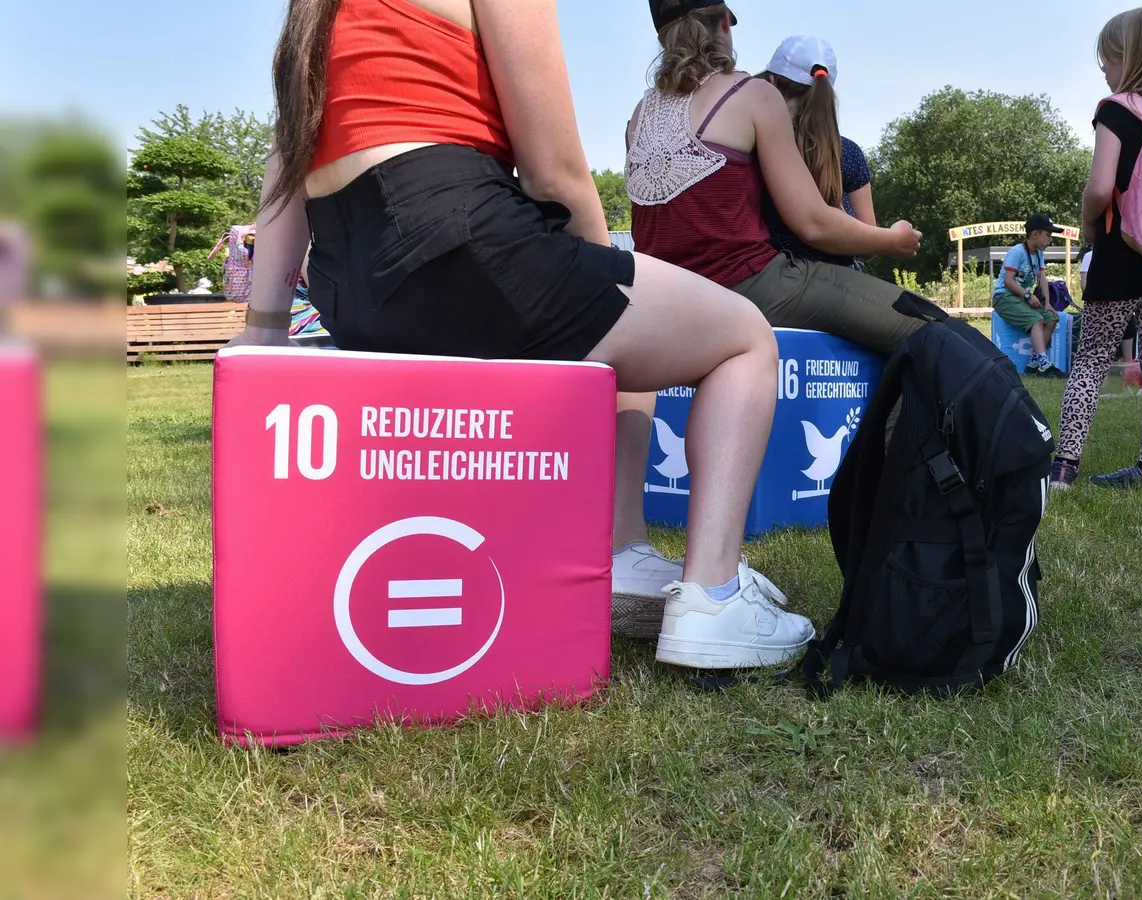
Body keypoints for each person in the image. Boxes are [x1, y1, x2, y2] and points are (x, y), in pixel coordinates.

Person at [234, 0, 813, 670]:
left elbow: (288, 157)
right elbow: (555, 170)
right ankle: (712, 599)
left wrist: (264, 330)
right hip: (456, 234)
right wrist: (610, 275)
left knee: (635, 336)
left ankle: (622, 553)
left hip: (349, 280)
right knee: (743, 336)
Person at [625, 1, 924, 359]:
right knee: (927, 326)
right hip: (743, 285)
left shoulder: (639, 116)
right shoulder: (750, 94)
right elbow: (812, 223)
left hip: (658, 296)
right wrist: (892, 240)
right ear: (724, 23)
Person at [1051, 5, 1142, 492]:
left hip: (1123, 251)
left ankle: (1064, 466)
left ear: (1129, 58)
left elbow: (1099, 189)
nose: (1105, 70)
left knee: (1092, 356)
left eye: (1108, 60)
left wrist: (1088, 225)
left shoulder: (1116, 109)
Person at [755, 36, 876, 271]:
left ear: (771, 83)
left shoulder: (757, 147)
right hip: (843, 276)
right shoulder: (847, 151)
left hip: (777, 278)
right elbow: (868, 241)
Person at [992, 214, 1066, 377]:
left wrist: (1047, 303)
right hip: (1003, 298)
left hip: (1020, 297)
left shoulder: (1039, 254)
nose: (1050, 239)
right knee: (1036, 319)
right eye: (1048, 235)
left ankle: (1034, 364)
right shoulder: (1017, 252)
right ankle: (1044, 363)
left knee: (1051, 318)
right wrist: (1027, 296)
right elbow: (1009, 282)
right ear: (1034, 234)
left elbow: (1042, 278)